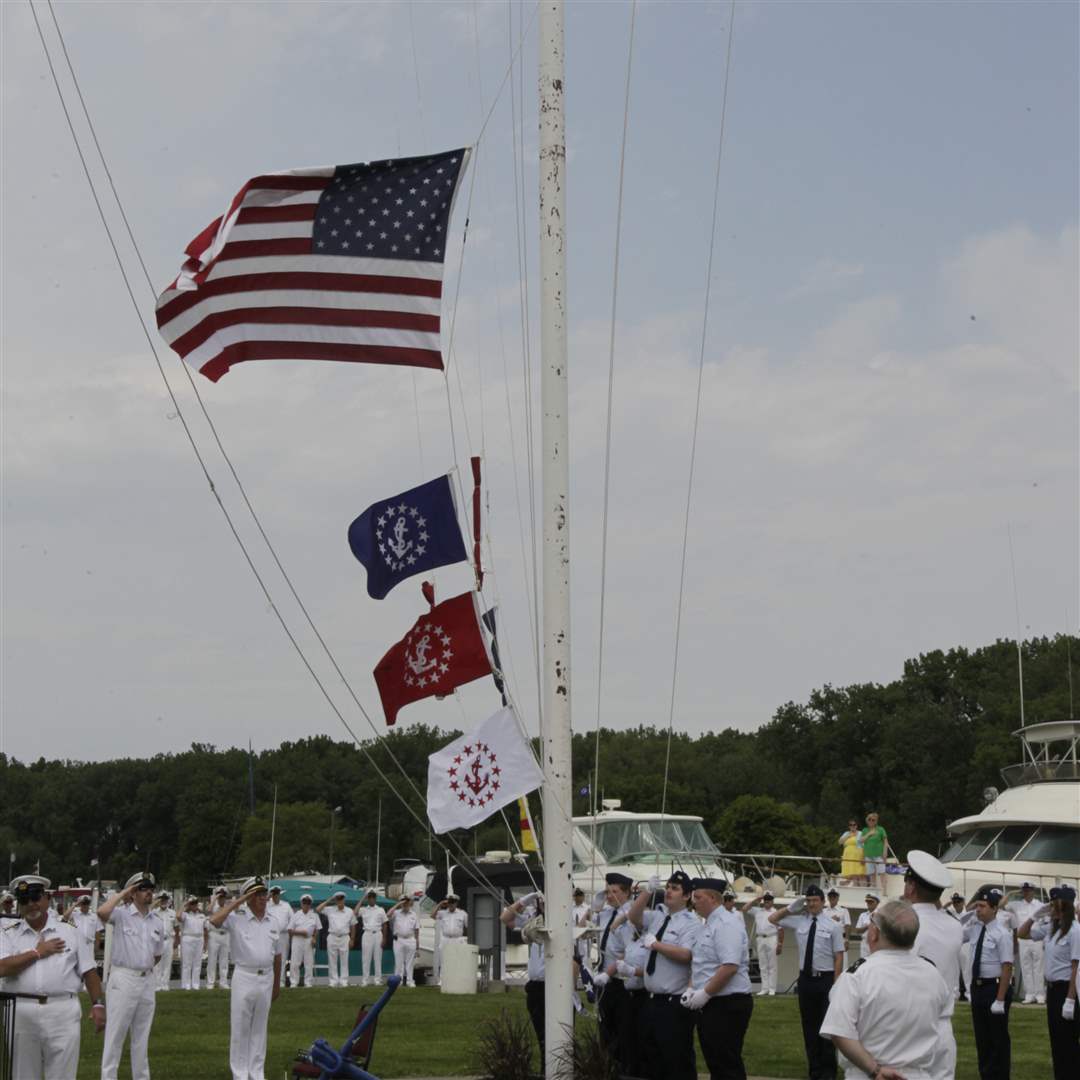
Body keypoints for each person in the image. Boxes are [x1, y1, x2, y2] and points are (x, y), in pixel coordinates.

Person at [820, 899, 953, 1080]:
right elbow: (944, 1040)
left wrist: (875, 1070)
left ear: (874, 933)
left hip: (866, 1073)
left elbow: (839, 1031)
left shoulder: (857, 975)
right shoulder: (933, 975)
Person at [0, 873, 106, 1078]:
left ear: (47, 898)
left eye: (35, 898)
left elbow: (89, 971)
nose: (31, 905)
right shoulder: (7, 932)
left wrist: (98, 1004)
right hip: (21, 1011)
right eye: (24, 900)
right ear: (18, 904)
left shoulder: (70, 932)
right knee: (23, 1075)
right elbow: (2, 968)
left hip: (62, 1011)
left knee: (63, 1075)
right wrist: (37, 952)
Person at [629, 870, 700, 1080]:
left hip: (674, 1002)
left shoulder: (691, 922)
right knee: (653, 1058)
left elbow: (686, 955)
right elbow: (633, 917)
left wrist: (656, 945)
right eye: (667, 887)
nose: (669, 891)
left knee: (676, 1060)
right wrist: (647, 892)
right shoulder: (658, 916)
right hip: (651, 1000)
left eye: (675, 889)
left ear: (686, 896)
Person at [680, 877, 753, 1080]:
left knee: (726, 1064)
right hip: (713, 1002)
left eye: (698, 897)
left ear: (712, 898)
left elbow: (729, 966)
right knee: (716, 1062)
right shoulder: (707, 925)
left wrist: (705, 993)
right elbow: (703, 965)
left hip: (727, 1003)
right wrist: (691, 988)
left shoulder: (727, 923)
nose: (694, 902)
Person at [770, 884, 846, 1080]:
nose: (812, 904)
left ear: (823, 902)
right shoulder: (799, 921)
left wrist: (836, 983)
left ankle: (828, 1072)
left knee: (827, 1027)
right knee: (809, 1027)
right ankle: (815, 1070)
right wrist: (790, 908)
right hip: (805, 980)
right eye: (809, 901)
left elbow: (839, 956)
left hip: (826, 980)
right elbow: (772, 919)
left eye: (815, 901)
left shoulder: (833, 925)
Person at [210, 875, 282, 1080]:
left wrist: (277, 985)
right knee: (241, 1028)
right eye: (257, 894)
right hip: (245, 976)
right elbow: (214, 920)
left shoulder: (273, 921)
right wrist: (239, 901)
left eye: (264, 893)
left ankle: (257, 1073)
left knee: (260, 1029)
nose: (263, 897)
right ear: (248, 897)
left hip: (266, 977)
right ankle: (240, 1074)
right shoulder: (236, 919)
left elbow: (278, 955)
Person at [901, 849, 964, 1077]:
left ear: (911, 887)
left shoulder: (905, 923)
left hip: (911, 1025)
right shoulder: (954, 926)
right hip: (944, 1026)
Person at [98, 871, 166, 1080]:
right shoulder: (121, 914)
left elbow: (156, 955)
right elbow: (102, 912)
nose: (148, 893)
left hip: (146, 979)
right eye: (143, 889)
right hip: (123, 978)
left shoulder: (157, 921)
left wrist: (143, 968)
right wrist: (125, 893)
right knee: (115, 1036)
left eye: (150, 889)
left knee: (141, 1036)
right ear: (134, 892)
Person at [1018, 884, 1079, 1079]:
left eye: (1054, 905)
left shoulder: (1075, 930)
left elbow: (1075, 967)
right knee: (1056, 1041)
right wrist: (1034, 916)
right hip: (1052, 991)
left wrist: (1070, 999)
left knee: (1068, 1042)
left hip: (1067, 991)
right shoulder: (1051, 928)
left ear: (1064, 907)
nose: (1050, 908)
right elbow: (1022, 933)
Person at [965, 887, 1014, 1080]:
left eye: (983, 906)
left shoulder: (1002, 933)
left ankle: (1000, 1076)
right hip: (977, 988)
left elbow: (1007, 966)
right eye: (978, 905)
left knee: (998, 1039)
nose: (978, 909)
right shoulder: (975, 928)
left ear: (994, 909)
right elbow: (957, 933)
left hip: (994, 989)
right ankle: (986, 1074)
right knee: (982, 1038)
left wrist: (1000, 999)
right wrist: (968, 914)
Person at [590, 872, 635, 1072]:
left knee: (623, 1033)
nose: (609, 896)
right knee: (605, 1031)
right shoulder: (606, 913)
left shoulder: (632, 914)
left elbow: (631, 950)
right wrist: (595, 906)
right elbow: (584, 928)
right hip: (604, 981)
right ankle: (608, 1070)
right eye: (607, 891)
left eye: (614, 891)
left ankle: (623, 1071)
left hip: (621, 980)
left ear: (626, 892)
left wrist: (610, 972)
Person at [501, 891, 548, 1058]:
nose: (543, 904)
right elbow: (506, 918)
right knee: (540, 1032)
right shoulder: (533, 919)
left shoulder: (566, 918)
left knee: (554, 1032)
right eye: (542, 900)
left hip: (552, 984)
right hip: (535, 985)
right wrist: (526, 899)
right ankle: (546, 1068)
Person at [1007, 882, 1046, 1004]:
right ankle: (1029, 994)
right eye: (1024, 890)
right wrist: (1011, 893)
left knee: (1039, 967)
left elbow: (1045, 922)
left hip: (1037, 939)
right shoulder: (1016, 905)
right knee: (1026, 967)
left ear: (1033, 891)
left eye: (1028, 890)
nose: (1026, 892)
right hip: (1023, 940)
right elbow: (1000, 905)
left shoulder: (1040, 905)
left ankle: (1040, 994)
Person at [742, 891, 783, 996]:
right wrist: (756, 900)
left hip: (772, 938)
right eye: (765, 900)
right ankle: (764, 988)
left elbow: (781, 929)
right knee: (762, 965)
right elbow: (744, 908)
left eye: (769, 900)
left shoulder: (776, 912)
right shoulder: (758, 911)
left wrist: (780, 944)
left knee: (772, 965)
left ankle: (772, 989)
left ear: (772, 901)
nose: (767, 902)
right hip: (760, 938)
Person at [317, 891, 357, 988]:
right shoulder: (330, 909)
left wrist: (352, 939)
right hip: (332, 936)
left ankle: (344, 981)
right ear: (335, 900)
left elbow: (353, 926)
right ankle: (333, 981)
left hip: (344, 937)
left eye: (341, 899)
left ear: (344, 899)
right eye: (337, 899)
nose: (340, 901)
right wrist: (330, 899)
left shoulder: (349, 911)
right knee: (332, 960)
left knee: (344, 960)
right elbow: (318, 909)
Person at [433, 893, 468, 984]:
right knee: (443, 960)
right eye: (449, 902)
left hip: (457, 939)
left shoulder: (462, 913)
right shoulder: (443, 913)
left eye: (453, 902)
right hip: (445, 939)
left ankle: (456, 979)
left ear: (456, 903)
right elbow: (432, 915)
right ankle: (442, 980)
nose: (451, 904)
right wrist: (440, 904)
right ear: (447, 903)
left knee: (457, 960)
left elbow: (468, 926)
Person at [355, 890, 387, 986]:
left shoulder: (381, 910)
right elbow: (355, 912)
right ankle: (365, 980)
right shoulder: (363, 909)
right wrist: (362, 898)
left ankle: (377, 980)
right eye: (369, 897)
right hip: (367, 934)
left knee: (378, 958)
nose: (371, 899)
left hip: (378, 934)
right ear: (367, 899)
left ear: (375, 899)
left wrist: (384, 938)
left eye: (373, 897)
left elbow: (385, 924)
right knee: (366, 958)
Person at [176, 895, 209, 990]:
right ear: (189, 905)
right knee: (186, 963)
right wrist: (184, 905)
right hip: (187, 938)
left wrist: (206, 943)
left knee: (197, 963)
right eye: (192, 904)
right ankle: (186, 985)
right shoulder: (185, 915)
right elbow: (178, 916)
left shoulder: (202, 915)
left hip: (199, 938)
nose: (194, 905)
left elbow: (206, 930)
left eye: (195, 903)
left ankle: (196, 984)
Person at [287, 895, 320, 988]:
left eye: (308, 903)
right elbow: (289, 930)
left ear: (310, 904)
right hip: (297, 940)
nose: (306, 905)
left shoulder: (315, 916)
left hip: (309, 940)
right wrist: (301, 932)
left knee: (309, 962)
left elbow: (317, 929)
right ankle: (294, 982)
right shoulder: (296, 915)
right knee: (295, 962)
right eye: (304, 903)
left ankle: (308, 983)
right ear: (301, 903)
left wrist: (314, 938)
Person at [389, 895, 420, 987]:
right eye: (403, 901)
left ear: (410, 902)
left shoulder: (414, 914)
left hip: (410, 939)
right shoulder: (396, 913)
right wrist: (399, 904)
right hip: (399, 939)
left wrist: (417, 946)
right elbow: (388, 914)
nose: (405, 903)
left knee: (410, 962)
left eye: (407, 901)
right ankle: (398, 981)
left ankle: (410, 981)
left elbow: (417, 930)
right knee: (399, 962)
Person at [266, 885, 293, 983]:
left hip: (283, 935)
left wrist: (289, 931)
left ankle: (280, 981)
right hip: (270, 935)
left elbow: (292, 919)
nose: (276, 896)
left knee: (282, 958)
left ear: (279, 894)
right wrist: (267, 898)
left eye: (277, 893)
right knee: (269, 958)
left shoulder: (286, 905)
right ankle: (269, 981)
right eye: (274, 894)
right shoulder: (266, 905)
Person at [207, 886, 232, 989]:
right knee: (212, 960)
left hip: (225, 934)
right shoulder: (214, 907)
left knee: (224, 960)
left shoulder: (228, 907)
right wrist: (214, 899)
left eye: (223, 897)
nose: (221, 899)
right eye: (220, 897)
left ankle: (223, 982)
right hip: (214, 934)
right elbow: (208, 910)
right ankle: (210, 982)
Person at [859, 813, 890, 894]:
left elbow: (885, 842)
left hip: (879, 855)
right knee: (871, 873)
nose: (871, 821)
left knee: (882, 873)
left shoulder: (881, 829)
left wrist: (885, 853)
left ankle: (885, 891)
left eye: (873, 820)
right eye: (870, 819)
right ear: (867, 820)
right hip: (868, 855)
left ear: (876, 821)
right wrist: (869, 834)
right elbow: (861, 841)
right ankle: (873, 892)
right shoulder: (865, 830)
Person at [152, 891, 176, 991]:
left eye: (165, 899)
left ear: (168, 901)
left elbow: (176, 927)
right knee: (157, 964)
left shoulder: (172, 913)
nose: (163, 901)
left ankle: (165, 984)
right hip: (157, 940)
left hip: (169, 939)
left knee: (167, 963)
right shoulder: (154, 912)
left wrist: (176, 942)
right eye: (161, 899)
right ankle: (157, 984)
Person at [949, 892, 970, 1000]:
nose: (956, 904)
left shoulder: (969, 915)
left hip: (965, 944)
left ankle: (969, 993)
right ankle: (954, 993)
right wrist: (948, 903)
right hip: (953, 944)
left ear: (963, 902)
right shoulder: (949, 914)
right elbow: (938, 911)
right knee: (954, 970)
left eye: (958, 901)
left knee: (967, 970)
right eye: (954, 901)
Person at [852, 893, 879, 962]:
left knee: (875, 963)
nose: (869, 903)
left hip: (877, 943)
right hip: (865, 944)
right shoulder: (863, 915)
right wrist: (867, 926)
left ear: (877, 903)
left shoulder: (881, 914)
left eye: (871, 902)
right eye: (868, 902)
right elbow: (857, 930)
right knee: (864, 963)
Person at [839, 820, 865, 885]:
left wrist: (863, 857)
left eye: (854, 825)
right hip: (848, 856)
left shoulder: (860, 833)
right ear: (849, 826)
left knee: (860, 873)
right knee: (851, 873)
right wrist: (848, 836)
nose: (853, 826)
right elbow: (840, 842)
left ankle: (862, 889)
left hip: (858, 855)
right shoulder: (846, 833)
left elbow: (865, 846)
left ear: (856, 826)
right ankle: (854, 887)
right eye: (851, 825)